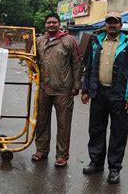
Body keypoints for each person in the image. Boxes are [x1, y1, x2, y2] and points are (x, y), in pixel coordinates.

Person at [81, 12, 128, 184]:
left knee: (119, 133)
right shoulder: (96, 42)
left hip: (120, 95)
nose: (112, 25)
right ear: (105, 25)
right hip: (99, 93)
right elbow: (90, 67)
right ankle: (96, 163)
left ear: (120, 25)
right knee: (96, 130)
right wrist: (86, 90)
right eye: (109, 22)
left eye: (115, 22)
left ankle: (114, 169)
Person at [31, 13, 81, 167]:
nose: (51, 25)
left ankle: (61, 156)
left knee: (63, 125)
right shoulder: (39, 41)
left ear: (59, 24)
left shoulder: (69, 41)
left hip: (63, 91)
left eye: (54, 22)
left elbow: (76, 64)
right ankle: (41, 150)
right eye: (48, 23)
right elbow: (34, 60)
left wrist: (76, 85)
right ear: (45, 25)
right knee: (42, 123)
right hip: (44, 89)